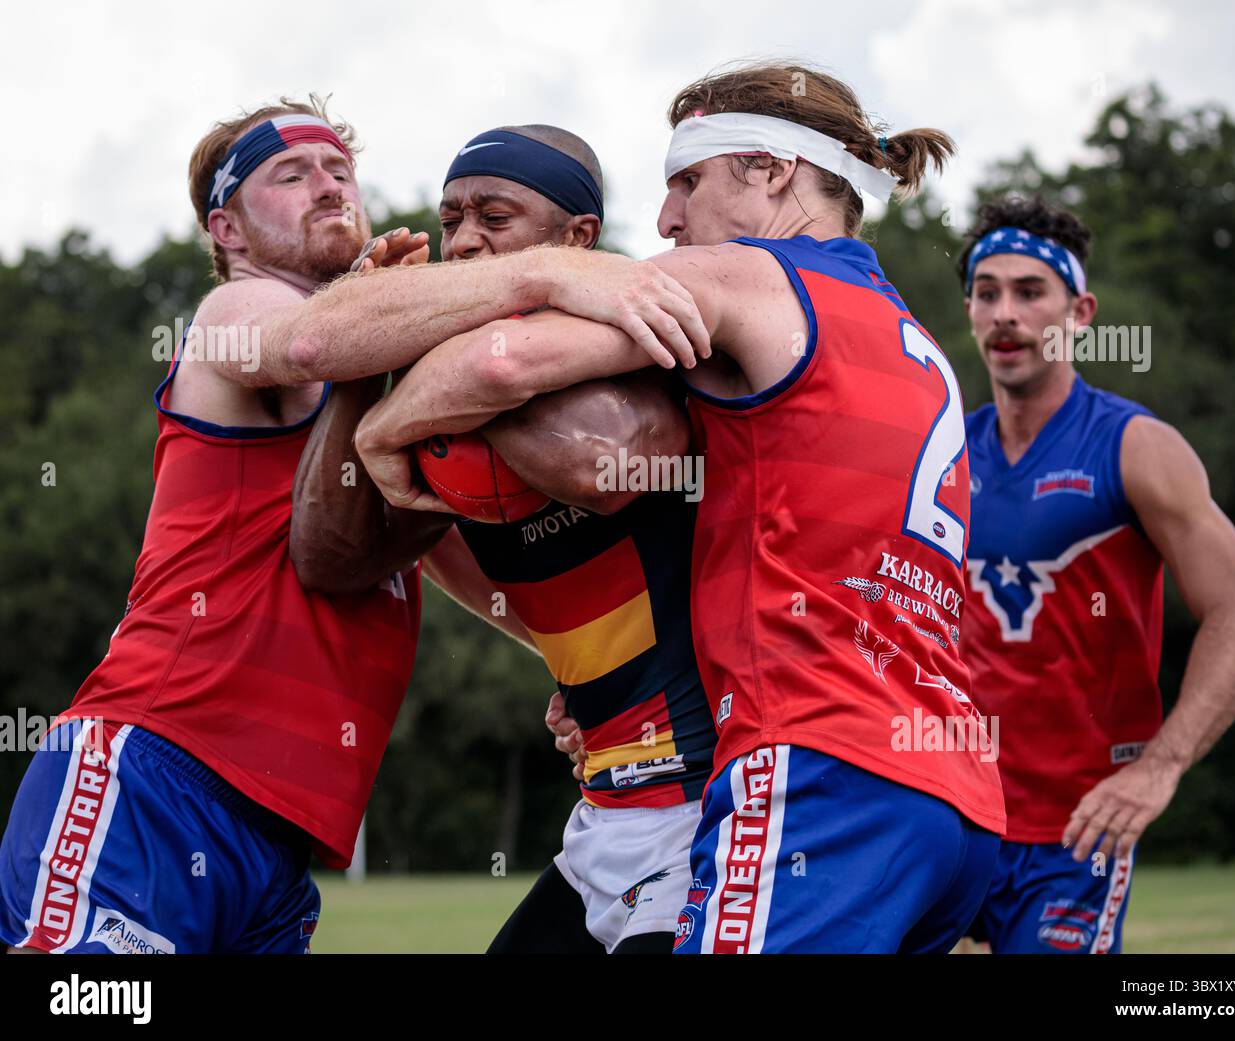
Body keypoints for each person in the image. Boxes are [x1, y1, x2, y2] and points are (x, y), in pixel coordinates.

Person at [0, 97, 703, 954]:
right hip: (157, 768)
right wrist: (551, 273)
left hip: (276, 842)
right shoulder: (235, 315)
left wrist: (591, 679)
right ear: (227, 228)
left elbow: (458, 571)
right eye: (291, 176)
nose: (327, 185)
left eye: (339, 169)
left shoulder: (411, 399)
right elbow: (305, 346)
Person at [354, 62, 1007, 953]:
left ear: (772, 170)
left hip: (817, 767)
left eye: (688, 182)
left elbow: (498, 365)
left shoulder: (749, 279)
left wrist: (381, 423)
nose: (665, 222)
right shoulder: (911, 341)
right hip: (952, 793)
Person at [291, 124, 712, 954]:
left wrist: (462, 371)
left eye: (496, 216)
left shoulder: (640, 343)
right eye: (451, 220)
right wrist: (361, 377)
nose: (466, 240)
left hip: (705, 809)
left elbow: (606, 465)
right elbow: (331, 558)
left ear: (576, 240)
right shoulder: (437, 403)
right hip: (606, 814)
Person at [955, 195, 1235, 953]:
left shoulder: (1135, 447)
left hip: (1075, 835)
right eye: (988, 291)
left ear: (1081, 311)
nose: (1007, 313)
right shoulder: (942, 452)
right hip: (952, 819)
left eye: (1031, 292)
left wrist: (1160, 768)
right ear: (968, 307)